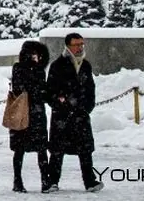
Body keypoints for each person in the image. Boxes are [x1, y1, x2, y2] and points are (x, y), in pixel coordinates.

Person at [44, 33, 103, 193]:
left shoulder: (85, 65)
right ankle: (52, 181)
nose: (79, 47)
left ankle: (89, 182)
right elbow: (50, 92)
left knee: (85, 151)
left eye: (81, 44)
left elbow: (90, 89)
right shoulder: (58, 65)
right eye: (76, 45)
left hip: (81, 115)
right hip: (62, 116)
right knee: (57, 151)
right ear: (68, 46)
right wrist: (60, 102)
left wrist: (86, 108)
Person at [9, 40, 50, 193]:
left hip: (37, 114)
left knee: (42, 149)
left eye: (38, 54)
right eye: (33, 54)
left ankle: (45, 180)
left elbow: (42, 89)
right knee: (19, 150)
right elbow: (20, 88)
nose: (36, 57)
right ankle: (17, 180)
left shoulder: (40, 70)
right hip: (23, 113)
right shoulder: (19, 68)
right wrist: (38, 91)